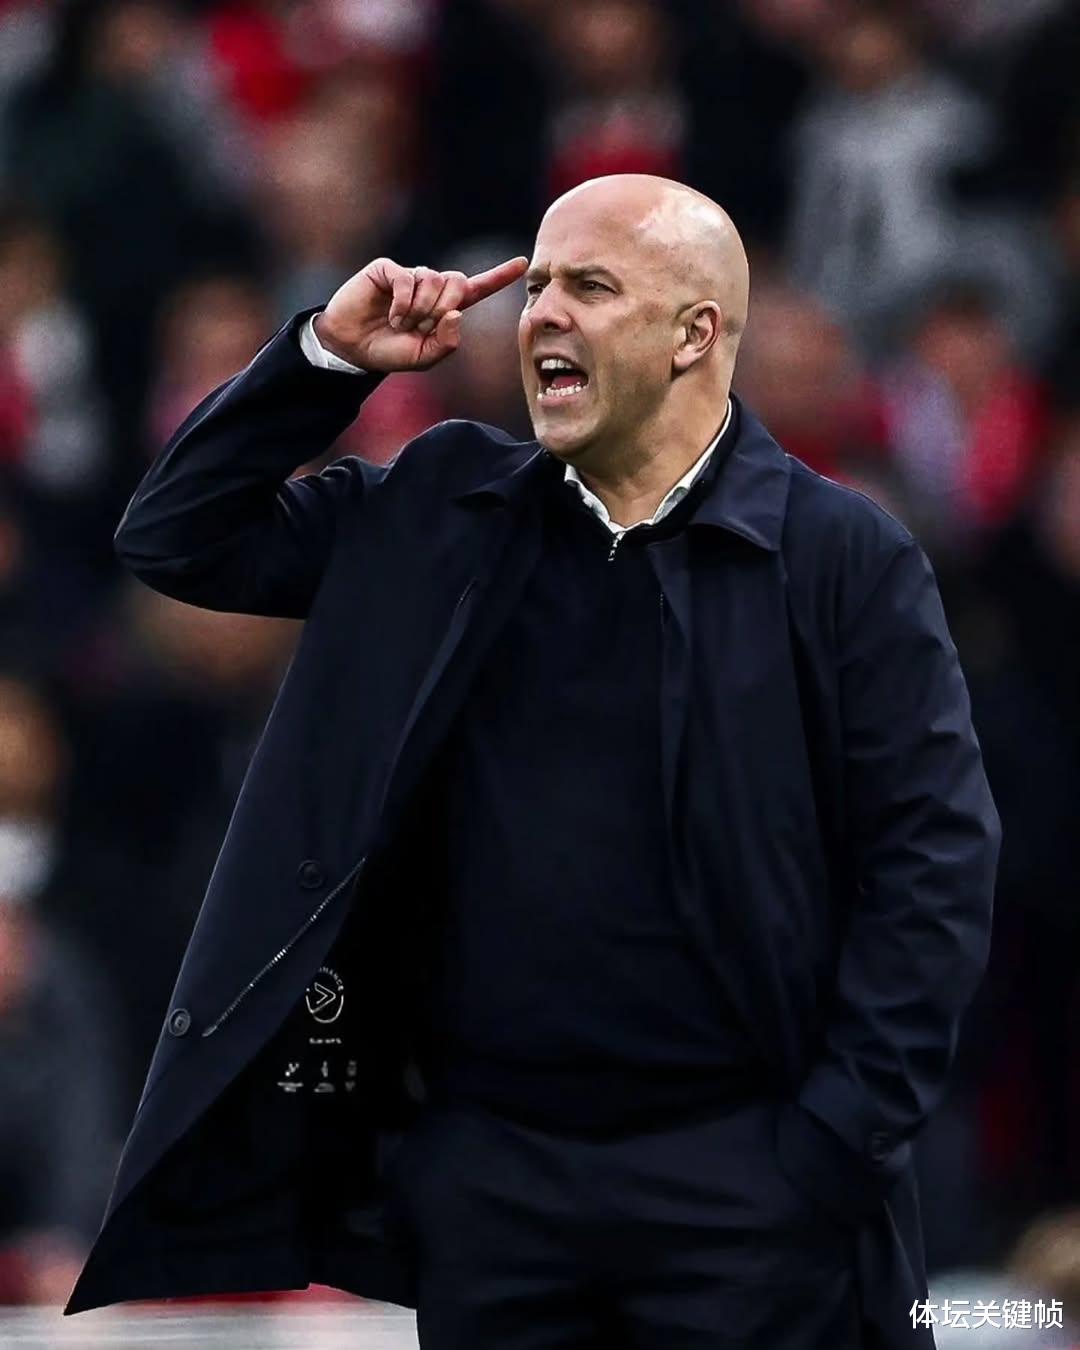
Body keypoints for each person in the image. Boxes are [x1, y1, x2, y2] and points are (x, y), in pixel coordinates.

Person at [65, 174, 1000, 1349]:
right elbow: (177, 534)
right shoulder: (444, 511)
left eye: (590, 287)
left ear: (694, 334)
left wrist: (830, 1145)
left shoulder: (840, 555)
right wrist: (325, 361)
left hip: (745, 1182)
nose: (542, 313)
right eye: (539, 285)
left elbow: (933, 865)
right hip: (492, 1189)